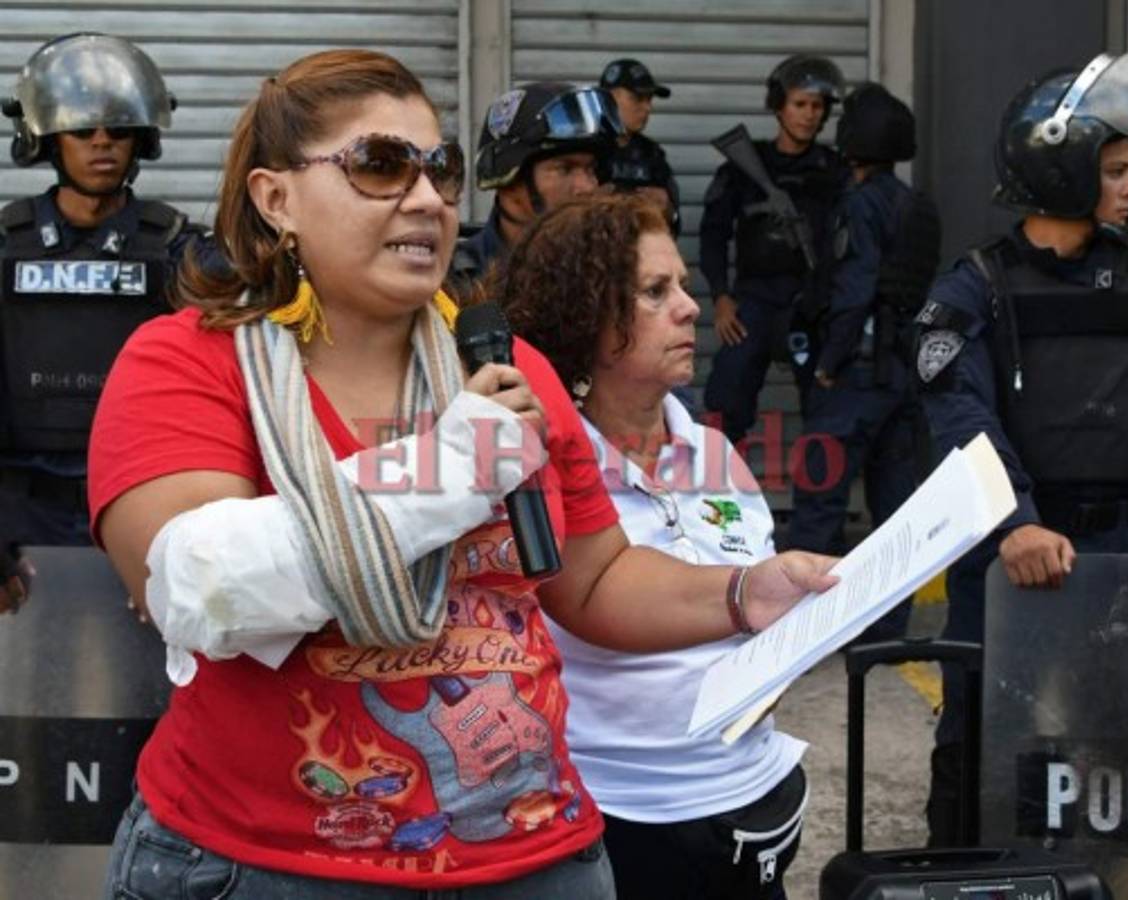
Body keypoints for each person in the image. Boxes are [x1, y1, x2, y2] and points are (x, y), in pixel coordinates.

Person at [89, 49, 837, 898]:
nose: (425, 197)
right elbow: (201, 587)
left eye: (437, 168)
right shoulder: (186, 363)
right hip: (265, 866)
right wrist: (453, 468)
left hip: (532, 860)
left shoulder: (509, 370)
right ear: (275, 198)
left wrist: (744, 593)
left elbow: (594, 582)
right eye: (379, 165)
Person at [916, 51, 1128, 845]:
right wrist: (1016, 524)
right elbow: (958, 417)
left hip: (1122, 548)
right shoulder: (972, 288)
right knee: (974, 732)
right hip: (1009, 554)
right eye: (1115, 172)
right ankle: (960, 874)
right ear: (1061, 171)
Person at [495, 194, 812, 899]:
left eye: (684, 286)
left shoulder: (713, 450)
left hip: (752, 799)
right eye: (653, 292)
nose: (690, 308)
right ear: (586, 316)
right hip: (617, 815)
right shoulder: (532, 468)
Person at [0, 32, 205, 612]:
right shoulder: (5, 248)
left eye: (117, 131)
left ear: (141, 139)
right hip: (20, 518)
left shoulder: (180, 251)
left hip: (141, 509)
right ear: (46, 139)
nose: (102, 145)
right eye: (82, 131)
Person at [787, 84, 940, 642]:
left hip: (855, 376)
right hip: (901, 377)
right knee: (895, 515)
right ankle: (885, 633)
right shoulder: (913, 205)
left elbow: (855, 289)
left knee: (818, 502)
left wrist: (828, 362)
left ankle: (795, 632)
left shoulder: (859, 202)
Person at [700, 55, 849, 446]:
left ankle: (818, 499)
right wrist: (720, 298)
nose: (809, 115)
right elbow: (713, 234)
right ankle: (718, 491)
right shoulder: (743, 168)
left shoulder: (834, 171)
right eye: (800, 104)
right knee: (725, 398)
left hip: (811, 305)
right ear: (779, 106)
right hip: (755, 301)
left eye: (818, 106)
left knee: (825, 408)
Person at [452, 81, 622, 285]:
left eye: (590, 169)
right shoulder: (455, 282)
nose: (587, 187)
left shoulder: (618, 273)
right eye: (564, 169)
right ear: (509, 179)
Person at [599, 58, 681, 234]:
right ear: (608, 98)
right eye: (637, 98)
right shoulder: (582, 149)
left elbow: (674, 225)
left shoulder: (652, 154)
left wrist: (667, 211)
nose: (647, 107)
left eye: (650, 99)